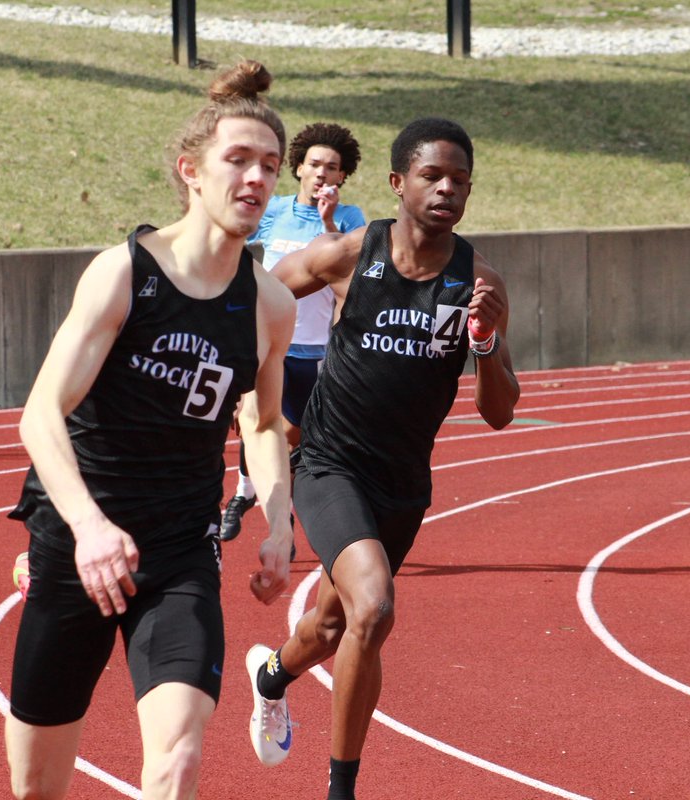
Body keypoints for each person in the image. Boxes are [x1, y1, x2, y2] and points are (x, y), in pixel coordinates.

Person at [2, 60, 296, 800]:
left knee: (178, 761)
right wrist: (89, 528)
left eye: (270, 165)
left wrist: (279, 522)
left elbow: (262, 420)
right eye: (238, 159)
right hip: (78, 546)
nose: (256, 178)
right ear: (191, 171)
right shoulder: (124, 274)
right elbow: (41, 412)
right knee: (37, 788)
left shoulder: (269, 304)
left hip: (178, 553)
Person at [242, 117, 521, 799]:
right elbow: (256, 301)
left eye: (459, 180)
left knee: (332, 624)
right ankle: (342, 791)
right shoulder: (349, 254)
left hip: (402, 484)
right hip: (329, 464)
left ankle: (272, 676)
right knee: (373, 608)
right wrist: (256, 391)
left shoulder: (478, 283)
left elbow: (499, 412)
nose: (446, 189)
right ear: (398, 182)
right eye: (432, 175)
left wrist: (485, 342)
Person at [219, 122, 366, 544]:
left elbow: (349, 271)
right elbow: (234, 245)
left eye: (332, 167)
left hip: (315, 350)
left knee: (292, 438)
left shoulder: (351, 218)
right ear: (298, 167)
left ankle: (261, 497)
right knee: (254, 423)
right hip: (269, 343)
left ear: (342, 175)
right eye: (314, 164)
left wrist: (328, 220)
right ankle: (250, 496)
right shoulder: (273, 211)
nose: (322, 173)